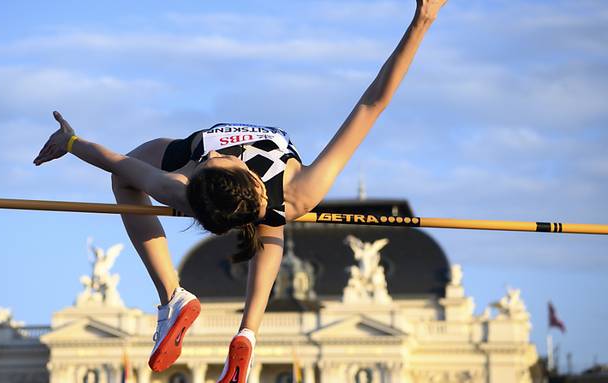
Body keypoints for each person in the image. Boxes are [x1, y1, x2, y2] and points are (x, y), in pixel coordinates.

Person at [33, 0, 447, 381]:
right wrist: (421, 22)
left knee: (126, 181)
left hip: (183, 151)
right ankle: (247, 333)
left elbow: (115, 162)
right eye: (217, 161)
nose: (218, 156)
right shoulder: (299, 189)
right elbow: (372, 104)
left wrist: (70, 142)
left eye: (214, 161)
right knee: (277, 221)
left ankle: (172, 297)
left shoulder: (182, 184)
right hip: (273, 196)